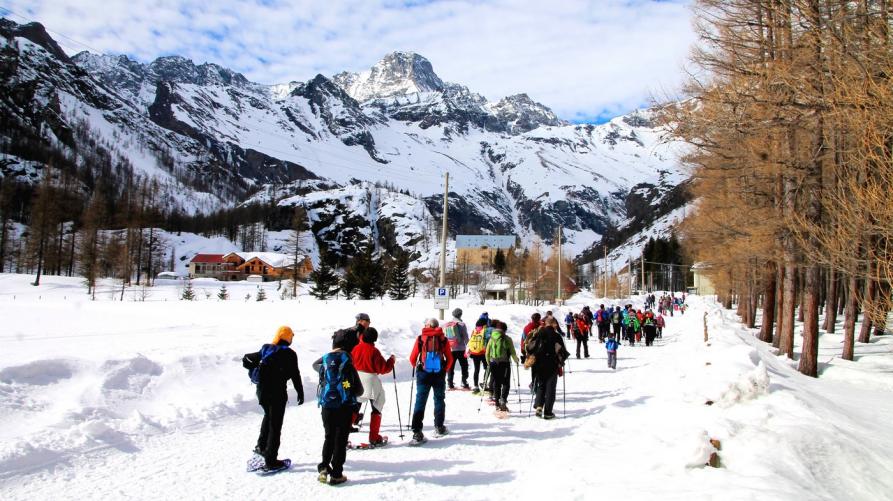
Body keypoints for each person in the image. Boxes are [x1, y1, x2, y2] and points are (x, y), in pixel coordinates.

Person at [242, 326, 304, 473]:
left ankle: (261, 448)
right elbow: (295, 374)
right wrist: (300, 392)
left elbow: (246, 359)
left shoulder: (266, 348)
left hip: (262, 392)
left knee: (267, 417)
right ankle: (271, 460)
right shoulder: (289, 354)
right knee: (275, 426)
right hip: (277, 393)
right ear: (287, 338)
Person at [313, 331, 364, 485]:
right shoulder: (347, 361)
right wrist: (346, 387)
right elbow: (359, 390)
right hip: (344, 406)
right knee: (340, 440)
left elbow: (315, 366)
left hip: (327, 405)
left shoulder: (326, 360)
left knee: (329, 437)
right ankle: (336, 474)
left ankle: (323, 467)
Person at [409, 318, 454, 443]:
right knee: (439, 399)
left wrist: (418, 366)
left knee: (420, 401)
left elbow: (412, 358)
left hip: (424, 373)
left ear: (428, 325)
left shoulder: (421, 338)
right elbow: (450, 359)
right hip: (439, 373)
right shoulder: (443, 339)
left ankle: (417, 432)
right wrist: (444, 369)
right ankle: (439, 427)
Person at [350, 327, 396, 446]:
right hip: (370, 380)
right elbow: (383, 368)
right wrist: (391, 361)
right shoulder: (373, 351)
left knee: (355, 406)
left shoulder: (355, 348)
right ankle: (374, 437)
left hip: (357, 379)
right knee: (377, 405)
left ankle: (343, 435)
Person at [529, 320, 568, 419]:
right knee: (550, 388)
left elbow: (530, 348)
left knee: (541, 385)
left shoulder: (539, 333)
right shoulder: (556, 336)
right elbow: (562, 352)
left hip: (539, 364)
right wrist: (561, 361)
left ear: (546, 324)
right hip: (552, 364)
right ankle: (548, 412)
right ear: (553, 324)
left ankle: (539, 406)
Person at [486, 320, 519, 412]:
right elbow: (512, 352)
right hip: (504, 363)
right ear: (505, 330)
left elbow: (487, 353)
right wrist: (516, 360)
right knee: (505, 383)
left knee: (497, 383)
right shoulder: (507, 339)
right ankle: (503, 400)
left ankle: (497, 403)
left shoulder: (491, 338)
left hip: (493, 363)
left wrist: (489, 362)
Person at [445, 308, 470, 390]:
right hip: (461, 349)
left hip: (451, 349)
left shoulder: (447, 324)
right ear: (460, 314)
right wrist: (468, 346)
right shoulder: (462, 324)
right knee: (464, 366)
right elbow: (466, 337)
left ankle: (450, 383)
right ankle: (464, 382)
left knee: (451, 366)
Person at [467, 318, 490, 393]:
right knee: (487, 368)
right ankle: (484, 383)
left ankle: (476, 386)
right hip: (483, 353)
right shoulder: (485, 330)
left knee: (476, 369)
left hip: (474, 353)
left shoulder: (474, 330)